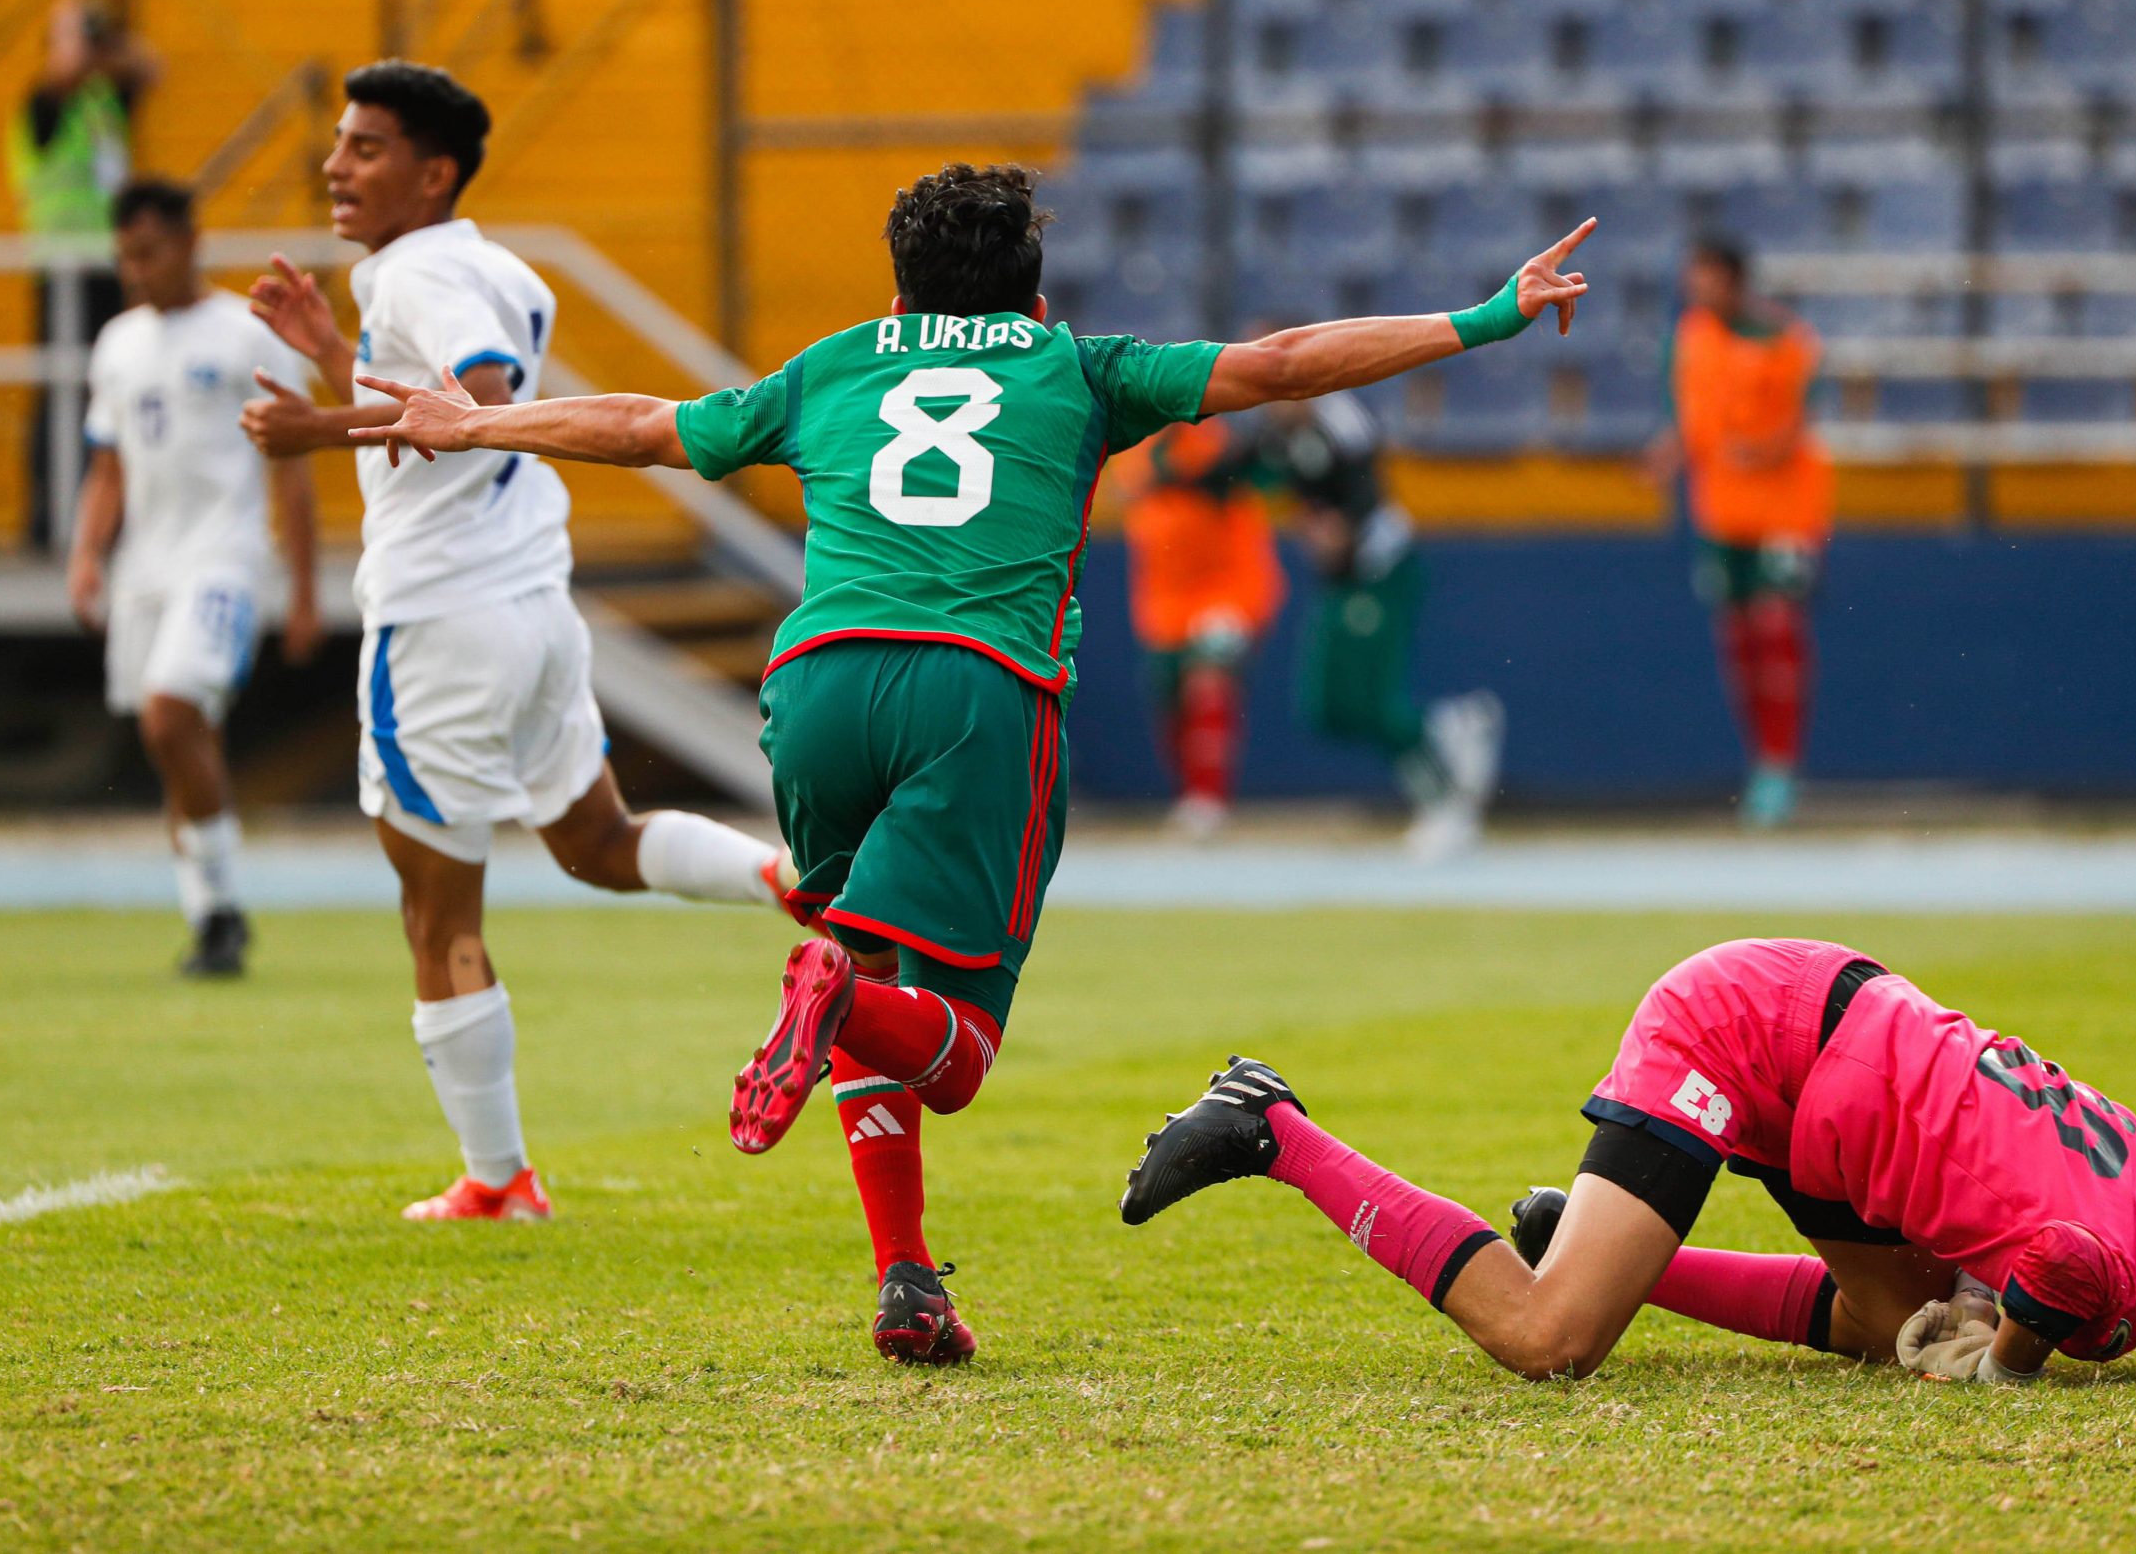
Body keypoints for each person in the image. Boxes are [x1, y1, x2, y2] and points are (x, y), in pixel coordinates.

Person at [346, 161, 1595, 1362]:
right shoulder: (1079, 367)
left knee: (863, 961)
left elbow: (645, 426)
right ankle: (834, 1003)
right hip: (976, 693)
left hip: (814, 682)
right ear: (1036, 299)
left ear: (895, 298)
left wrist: (479, 423)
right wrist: (1486, 316)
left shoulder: (832, 364)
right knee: (946, 1044)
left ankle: (905, 1275)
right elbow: (1278, 366)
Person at [235, 60, 793, 1225]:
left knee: (436, 914)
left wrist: (312, 427)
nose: (337, 166)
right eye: (339, 144)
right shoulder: (490, 263)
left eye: (367, 148)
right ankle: (787, 881)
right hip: (532, 605)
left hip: (441, 620)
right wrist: (343, 359)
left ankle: (498, 1180)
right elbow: (458, 399)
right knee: (596, 841)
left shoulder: (426, 268)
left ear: (433, 173)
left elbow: (478, 396)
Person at [1122, 938, 2136, 1386]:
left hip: (1836, 1023)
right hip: (1755, 1035)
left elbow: (2028, 1229)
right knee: (1550, 1339)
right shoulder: (2118, 1287)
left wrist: (1965, 1328)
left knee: (1898, 1322)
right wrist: (2007, 1368)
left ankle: (1563, 1223)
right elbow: (2057, 1268)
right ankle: (1271, 1128)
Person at [64, 178, 322, 977]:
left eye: (149, 251)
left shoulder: (245, 336)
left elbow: (293, 465)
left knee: (170, 715)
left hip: (224, 559)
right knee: (181, 740)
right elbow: (107, 467)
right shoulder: (117, 344)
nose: (136, 269)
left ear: (189, 241)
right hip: (145, 568)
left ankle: (224, 908)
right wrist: (85, 553)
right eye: (125, 255)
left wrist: (305, 587)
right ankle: (211, 915)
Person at [1226, 372, 1504, 858]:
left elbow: (1363, 493)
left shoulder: (1340, 421)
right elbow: (1236, 471)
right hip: (1339, 580)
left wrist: (1338, 528)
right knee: (1326, 708)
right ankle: (1449, 725)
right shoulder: (1278, 428)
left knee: (1376, 702)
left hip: (1380, 568)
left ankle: (1444, 805)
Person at [1643, 238, 1827, 828]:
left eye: (1708, 278)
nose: (1696, 290)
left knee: (1777, 630)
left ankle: (1781, 766)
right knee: (1738, 642)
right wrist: (1670, 452)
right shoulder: (1689, 338)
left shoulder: (1784, 339)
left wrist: (1759, 448)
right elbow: (1692, 419)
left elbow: (1797, 422)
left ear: (1735, 280)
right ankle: (1761, 765)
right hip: (1720, 513)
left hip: (1782, 512)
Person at [9, 0, 156, 546]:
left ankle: (105, 516)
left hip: (110, 263)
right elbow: (65, 70)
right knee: (61, 390)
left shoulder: (101, 99)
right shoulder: (42, 105)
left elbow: (149, 66)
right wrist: (68, 23)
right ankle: (48, 520)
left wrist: (106, 36)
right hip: (62, 267)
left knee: (106, 386)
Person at [1115, 418, 1286, 837]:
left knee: (1208, 681)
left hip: (1228, 589)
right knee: (1169, 702)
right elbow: (1140, 489)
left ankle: (1208, 799)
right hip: (1166, 602)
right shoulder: (1136, 450)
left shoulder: (1214, 441)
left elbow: (1254, 474)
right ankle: (1191, 794)